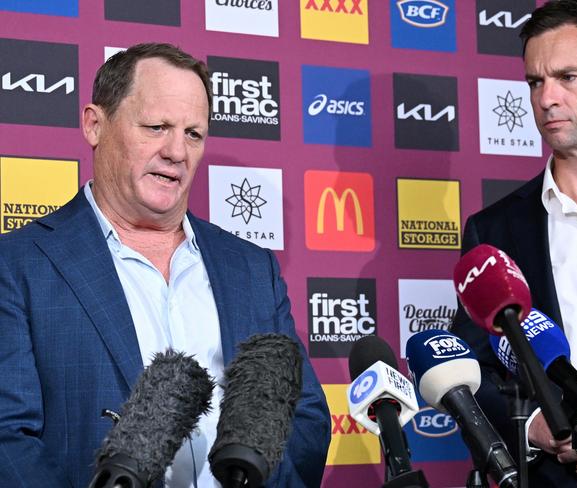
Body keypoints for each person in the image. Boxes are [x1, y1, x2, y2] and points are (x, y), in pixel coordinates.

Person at [0, 43, 330, 487]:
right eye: (157, 127)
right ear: (95, 124)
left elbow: (304, 418)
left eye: (193, 133)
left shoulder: (252, 269)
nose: (177, 151)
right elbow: (7, 439)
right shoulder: (19, 265)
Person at [451, 1, 577, 486]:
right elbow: (469, 369)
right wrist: (536, 425)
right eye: (536, 82)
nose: (546, 98)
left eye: (568, 77)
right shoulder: (494, 229)